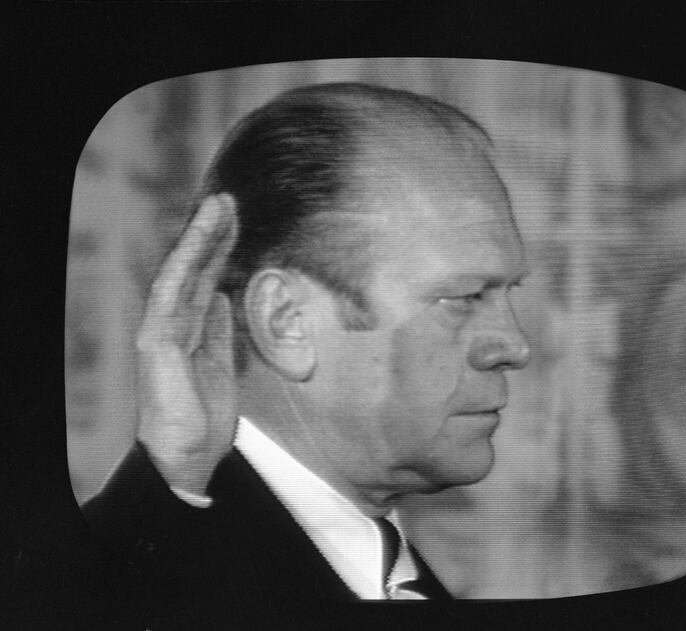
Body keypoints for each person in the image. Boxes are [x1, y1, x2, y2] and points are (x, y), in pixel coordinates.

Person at [83, 82, 531, 626]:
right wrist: (168, 480)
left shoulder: (388, 575)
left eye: (508, 293)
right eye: (463, 298)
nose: (514, 346)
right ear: (287, 322)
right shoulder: (144, 579)